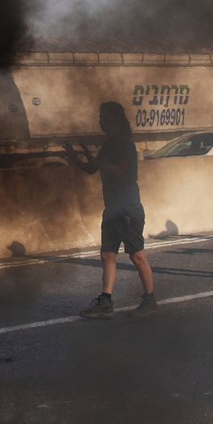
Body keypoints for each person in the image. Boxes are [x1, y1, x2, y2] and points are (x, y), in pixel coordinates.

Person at [63, 101, 157, 319]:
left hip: (128, 209)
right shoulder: (109, 144)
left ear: (113, 119)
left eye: (103, 117)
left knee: (136, 256)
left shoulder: (124, 144)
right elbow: (91, 169)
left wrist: (100, 161)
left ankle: (150, 299)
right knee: (107, 254)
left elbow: (119, 171)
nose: (99, 121)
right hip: (112, 208)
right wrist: (73, 157)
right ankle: (105, 301)